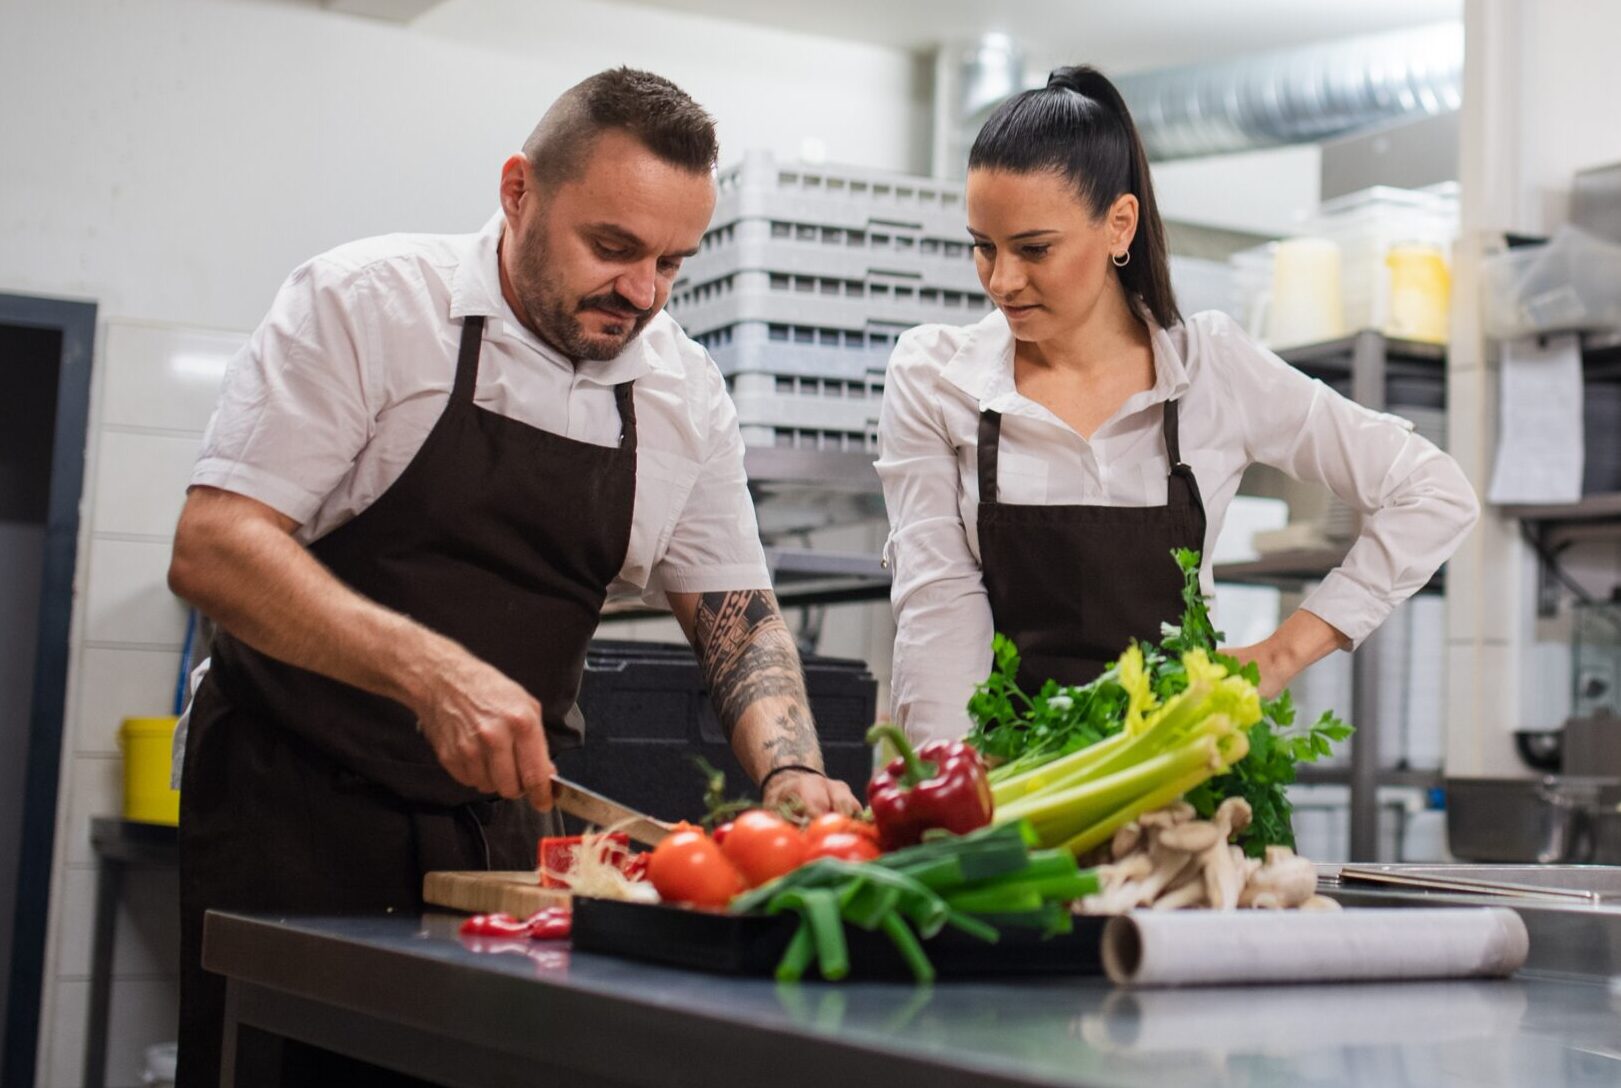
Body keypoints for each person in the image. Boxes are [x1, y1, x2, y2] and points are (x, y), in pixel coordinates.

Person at [167, 67, 858, 1086]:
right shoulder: (368, 304)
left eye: (671, 261)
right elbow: (215, 544)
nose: (642, 292)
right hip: (291, 808)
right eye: (613, 248)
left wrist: (792, 769)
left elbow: (736, 614)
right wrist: (432, 671)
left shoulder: (683, 392)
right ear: (518, 191)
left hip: (500, 831)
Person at [876, 64, 1480, 742]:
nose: (1003, 280)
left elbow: (1432, 493)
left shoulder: (1212, 368)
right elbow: (939, 607)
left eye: (1033, 249)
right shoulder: (935, 376)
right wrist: (949, 790)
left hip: (1178, 776)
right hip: (1010, 779)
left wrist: (1282, 656)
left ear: (1118, 225)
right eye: (982, 249)